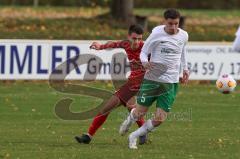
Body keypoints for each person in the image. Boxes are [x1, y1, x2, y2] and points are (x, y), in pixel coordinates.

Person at [119, 8, 190, 149]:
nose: (174, 27)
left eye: (176, 23)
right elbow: (144, 52)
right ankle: (128, 121)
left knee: (160, 119)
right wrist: (145, 62)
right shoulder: (157, 33)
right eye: (170, 24)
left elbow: (183, 51)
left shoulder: (183, 35)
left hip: (170, 82)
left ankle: (134, 136)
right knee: (140, 112)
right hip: (152, 79)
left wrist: (185, 69)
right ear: (164, 21)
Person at [75, 24, 148, 144]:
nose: (137, 42)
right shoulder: (126, 44)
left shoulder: (146, 48)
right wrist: (100, 46)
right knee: (117, 108)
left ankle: (89, 136)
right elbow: (114, 44)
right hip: (131, 83)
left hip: (143, 83)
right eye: (134, 38)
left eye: (140, 39)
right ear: (128, 37)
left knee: (118, 106)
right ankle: (88, 136)